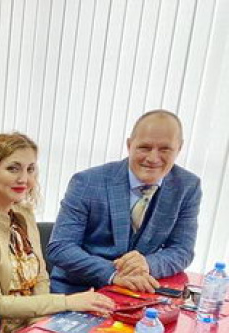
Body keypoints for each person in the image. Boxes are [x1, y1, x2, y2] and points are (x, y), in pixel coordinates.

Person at [0, 133, 115, 333]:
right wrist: (68, 302)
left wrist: (40, 326)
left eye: (30, 169)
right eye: (13, 168)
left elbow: (40, 278)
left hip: (33, 327)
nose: (24, 179)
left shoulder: (24, 214)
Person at [47, 109, 202, 293]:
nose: (153, 158)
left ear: (179, 149)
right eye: (145, 147)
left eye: (164, 149)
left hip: (137, 293)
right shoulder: (87, 181)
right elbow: (60, 247)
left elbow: (182, 250)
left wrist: (147, 264)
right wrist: (113, 274)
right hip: (78, 290)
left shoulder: (187, 186)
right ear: (129, 145)